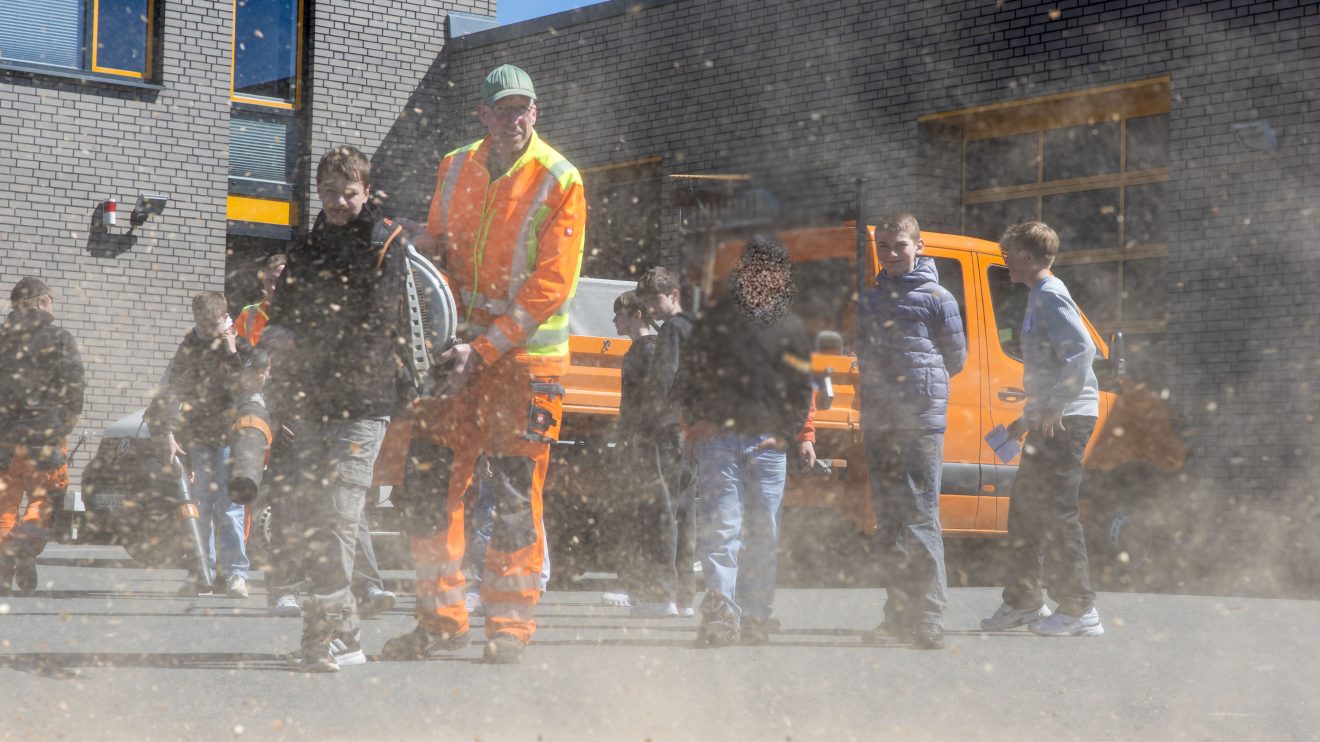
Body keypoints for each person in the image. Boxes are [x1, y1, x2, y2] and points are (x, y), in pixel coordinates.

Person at [381, 63, 585, 665]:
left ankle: (510, 626)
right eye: (502, 109)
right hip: (455, 356)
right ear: (484, 115)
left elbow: (551, 285)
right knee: (428, 487)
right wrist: (415, 246)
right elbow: (440, 247)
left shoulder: (560, 178)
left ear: (535, 112)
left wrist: (485, 346)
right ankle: (440, 620)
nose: (513, 119)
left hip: (524, 363)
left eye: (523, 108)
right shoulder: (455, 166)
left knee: (516, 497)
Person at [260, 145, 407, 672]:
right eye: (329, 193)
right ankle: (346, 635)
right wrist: (278, 337)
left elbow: (373, 325)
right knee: (317, 513)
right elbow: (285, 311)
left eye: (349, 193)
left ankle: (320, 636)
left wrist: (301, 338)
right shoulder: (306, 247)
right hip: (310, 400)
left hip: (362, 400)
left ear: (366, 191)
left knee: (340, 515)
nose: (339, 202)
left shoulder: (384, 243)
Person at [240, 253, 396, 622]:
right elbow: (246, 369)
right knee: (287, 505)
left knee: (344, 502)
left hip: (317, 413)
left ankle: (366, 585)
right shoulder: (251, 317)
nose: (277, 285)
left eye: (283, 278)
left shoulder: (311, 310)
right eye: (273, 279)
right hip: (280, 418)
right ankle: (286, 589)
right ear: (264, 281)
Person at [677, 236, 814, 647]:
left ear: (782, 278)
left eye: (771, 270)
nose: (762, 277)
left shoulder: (791, 328)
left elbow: (800, 389)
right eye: (755, 268)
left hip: (767, 448)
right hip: (720, 444)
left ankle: (754, 615)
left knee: (763, 535)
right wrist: (698, 423)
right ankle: (722, 615)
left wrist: (787, 435)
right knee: (721, 531)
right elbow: (689, 377)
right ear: (743, 272)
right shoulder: (715, 321)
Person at [980, 221, 1103, 637]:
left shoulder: (1051, 294)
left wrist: (1054, 406)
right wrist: (1026, 420)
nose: (1005, 262)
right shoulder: (1039, 295)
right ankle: (1024, 602)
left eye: (1008, 254)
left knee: (1058, 510)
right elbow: (1051, 367)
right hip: (1051, 418)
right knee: (1027, 510)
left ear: (1026, 256)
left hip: (1067, 419)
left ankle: (1080, 609)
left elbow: (1082, 351)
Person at [854, 213, 966, 650]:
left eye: (899, 245)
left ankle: (929, 617)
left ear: (919, 246)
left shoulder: (939, 298)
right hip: (880, 419)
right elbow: (864, 351)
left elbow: (955, 358)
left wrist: (917, 389)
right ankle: (898, 615)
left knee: (920, 516)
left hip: (919, 420)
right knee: (889, 520)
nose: (891, 253)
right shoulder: (869, 300)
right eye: (883, 246)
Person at [146, 291, 253, 598]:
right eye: (200, 324)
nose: (206, 331)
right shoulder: (190, 346)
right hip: (198, 436)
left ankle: (236, 573)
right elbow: (173, 389)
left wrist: (231, 352)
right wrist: (168, 431)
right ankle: (201, 571)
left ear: (225, 318)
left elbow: (245, 388)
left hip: (230, 435)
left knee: (230, 509)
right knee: (199, 507)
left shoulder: (240, 345)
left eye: (212, 325)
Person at [0, 277, 84, 595]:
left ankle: (3, 567)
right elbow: (74, 386)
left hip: (5, 440)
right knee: (45, 499)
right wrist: (66, 423)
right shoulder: (59, 338)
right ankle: (25, 545)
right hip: (46, 437)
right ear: (43, 302)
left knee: (4, 506)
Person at [634, 266, 700, 617]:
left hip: (668, 431)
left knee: (663, 511)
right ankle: (685, 597)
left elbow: (663, 380)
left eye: (654, 300)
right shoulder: (694, 327)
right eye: (645, 302)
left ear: (673, 295)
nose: (649, 309)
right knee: (686, 512)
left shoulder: (672, 329)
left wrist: (647, 426)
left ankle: (661, 596)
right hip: (690, 431)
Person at [234, 253, 287, 346]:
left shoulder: (290, 309)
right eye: (270, 280)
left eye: (279, 282)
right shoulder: (246, 306)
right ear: (263, 275)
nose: (274, 287)